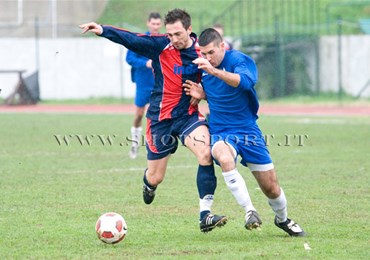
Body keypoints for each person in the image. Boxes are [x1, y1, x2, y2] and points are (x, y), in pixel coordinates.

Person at [80, 9, 227, 233]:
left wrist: (204, 93)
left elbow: (220, 77)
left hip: (188, 116)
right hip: (160, 119)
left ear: (189, 29)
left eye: (178, 34)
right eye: (170, 35)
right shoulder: (160, 46)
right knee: (156, 176)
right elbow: (130, 39)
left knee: (206, 154)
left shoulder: (202, 51)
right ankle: (148, 184)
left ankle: (204, 215)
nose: (174, 39)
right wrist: (102, 30)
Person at [183, 28, 306, 237]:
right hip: (222, 131)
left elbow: (244, 82)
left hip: (249, 131)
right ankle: (250, 211)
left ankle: (283, 219)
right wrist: (203, 94)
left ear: (222, 46)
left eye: (211, 52)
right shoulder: (202, 67)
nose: (207, 58)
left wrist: (213, 72)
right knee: (223, 156)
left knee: (271, 188)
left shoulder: (240, 60)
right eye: (203, 54)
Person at [125, 12, 162, 159]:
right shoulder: (139, 39)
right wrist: (145, 63)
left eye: (158, 24)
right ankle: (134, 143)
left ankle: (156, 146)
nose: (155, 26)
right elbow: (130, 58)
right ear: (148, 23)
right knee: (139, 115)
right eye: (153, 23)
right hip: (142, 84)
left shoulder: (163, 40)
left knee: (157, 116)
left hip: (159, 85)